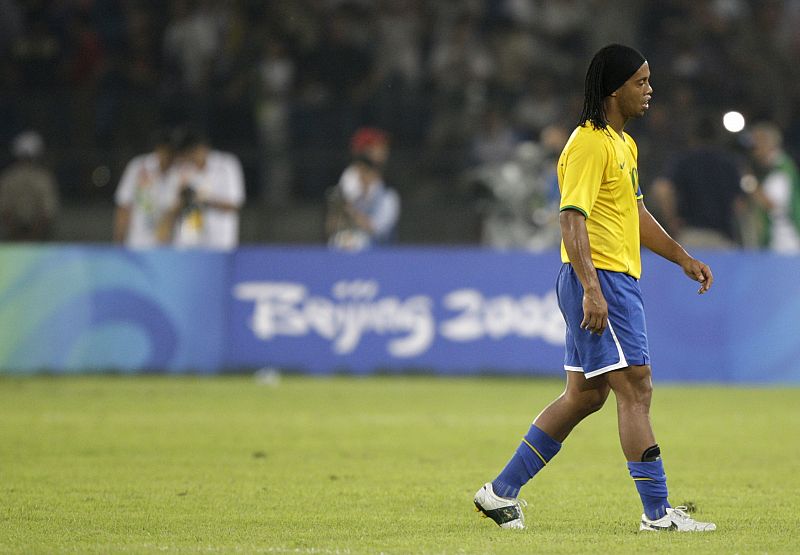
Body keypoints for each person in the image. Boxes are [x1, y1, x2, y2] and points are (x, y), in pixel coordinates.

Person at [473, 44, 717, 532]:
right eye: (641, 83)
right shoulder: (587, 144)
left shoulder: (623, 145)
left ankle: (499, 492)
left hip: (606, 277)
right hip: (600, 277)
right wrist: (592, 288)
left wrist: (680, 256)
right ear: (614, 89)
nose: (650, 91)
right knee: (637, 387)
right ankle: (657, 514)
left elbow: (635, 214)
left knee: (585, 395)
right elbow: (571, 218)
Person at [647, 117, 744, 249]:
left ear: (692, 137)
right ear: (717, 137)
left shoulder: (683, 160)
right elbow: (738, 205)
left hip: (690, 236)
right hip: (722, 238)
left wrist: (671, 220)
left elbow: (663, 189)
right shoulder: (729, 163)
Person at [159, 128, 245, 251]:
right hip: (188, 243)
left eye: (189, 154)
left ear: (201, 149)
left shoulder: (226, 165)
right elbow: (170, 209)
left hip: (219, 244)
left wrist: (202, 198)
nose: (186, 159)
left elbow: (234, 205)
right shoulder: (180, 169)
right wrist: (182, 197)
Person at [325, 127, 400, 251]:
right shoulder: (345, 182)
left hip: (380, 250)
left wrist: (352, 213)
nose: (384, 151)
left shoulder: (388, 189)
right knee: (342, 241)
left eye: (383, 147)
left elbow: (381, 229)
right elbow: (332, 227)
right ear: (362, 151)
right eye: (376, 147)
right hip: (348, 246)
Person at [113, 128, 176, 249]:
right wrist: (118, 241)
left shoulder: (180, 171)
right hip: (138, 243)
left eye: (172, 154)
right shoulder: (138, 167)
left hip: (169, 246)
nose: (167, 157)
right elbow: (124, 204)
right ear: (158, 149)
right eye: (165, 152)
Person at [743, 122, 800, 254]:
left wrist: (748, 182)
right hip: (777, 241)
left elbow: (771, 204)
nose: (754, 147)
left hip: (785, 241)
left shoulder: (782, 169)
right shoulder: (770, 169)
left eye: (757, 142)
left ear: (767, 143)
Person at [0, 130, 59, 241]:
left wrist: (19, 236)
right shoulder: (44, 178)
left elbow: (4, 211)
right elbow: (48, 213)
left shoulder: (7, 177)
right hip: (33, 238)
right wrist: (32, 237)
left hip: (16, 238)